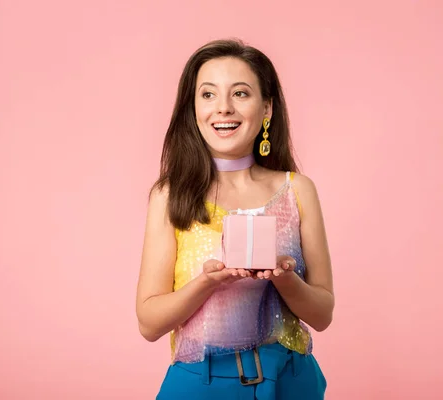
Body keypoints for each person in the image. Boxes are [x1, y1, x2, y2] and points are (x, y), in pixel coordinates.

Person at [135, 38, 334, 399]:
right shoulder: (170, 195)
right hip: (201, 384)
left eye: (240, 93)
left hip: (291, 381)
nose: (223, 108)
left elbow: (322, 315)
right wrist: (207, 282)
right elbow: (149, 323)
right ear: (192, 108)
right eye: (208, 95)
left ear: (267, 108)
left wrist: (285, 278)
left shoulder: (297, 189)